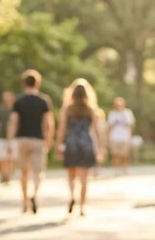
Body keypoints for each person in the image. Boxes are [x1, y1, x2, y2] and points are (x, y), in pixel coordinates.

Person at [7, 69, 54, 214]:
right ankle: (34, 194)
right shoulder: (43, 101)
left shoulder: (19, 101)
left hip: (22, 139)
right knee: (38, 172)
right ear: (37, 83)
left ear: (24, 84)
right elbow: (48, 123)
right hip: (38, 139)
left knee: (24, 172)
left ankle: (24, 202)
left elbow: (13, 122)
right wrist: (49, 138)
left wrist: (10, 140)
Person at [56, 81, 103, 216]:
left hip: (71, 144)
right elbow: (97, 130)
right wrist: (100, 147)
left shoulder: (67, 109)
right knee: (84, 178)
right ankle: (82, 207)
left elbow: (62, 129)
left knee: (71, 175)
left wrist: (59, 145)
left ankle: (72, 196)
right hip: (86, 144)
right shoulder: (91, 109)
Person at [106, 97, 134, 176]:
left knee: (124, 154)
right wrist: (108, 138)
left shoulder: (127, 113)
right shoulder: (112, 114)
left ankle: (125, 168)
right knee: (116, 154)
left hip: (125, 137)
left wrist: (130, 136)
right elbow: (109, 126)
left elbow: (131, 125)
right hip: (115, 137)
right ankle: (116, 170)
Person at [0, 91, 16, 184]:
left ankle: (8, 176)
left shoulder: (16, 110)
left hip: (14, 137)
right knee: (1, 158)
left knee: (10, 158)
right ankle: (3, 174)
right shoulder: (0, 109)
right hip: (1, 137)